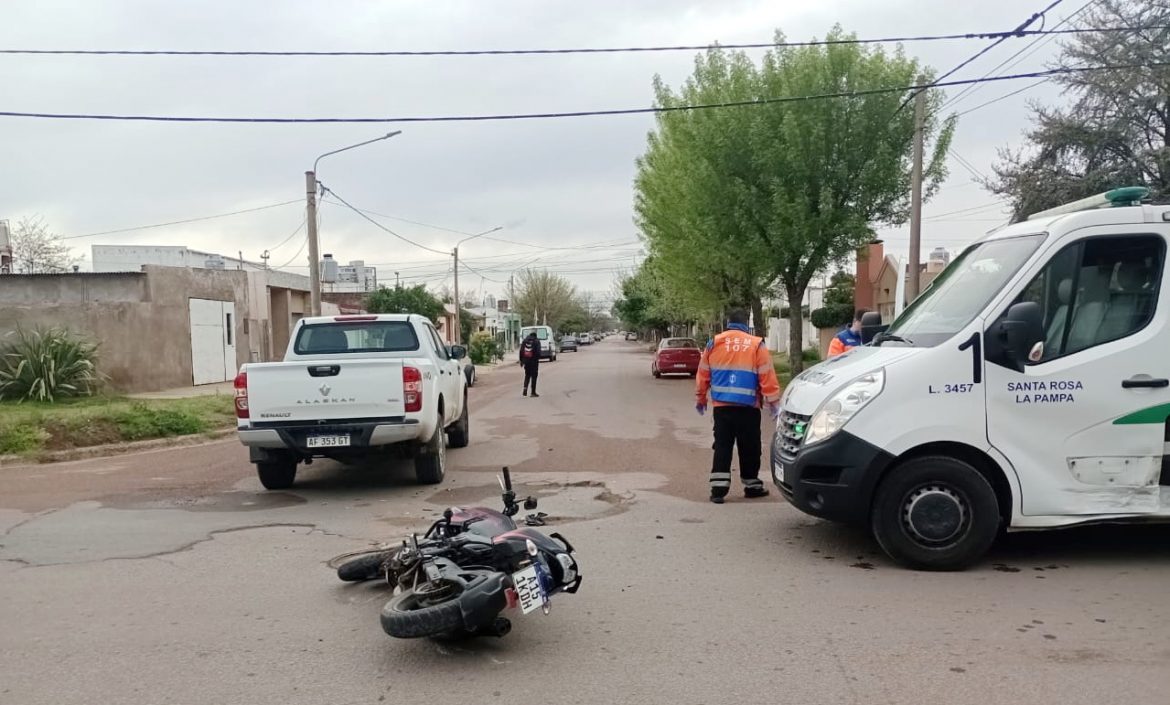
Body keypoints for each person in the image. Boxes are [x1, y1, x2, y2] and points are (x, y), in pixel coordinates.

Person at [695, 308, 782, 504]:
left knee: (723, 446)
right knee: (750, 446)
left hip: (722, 406)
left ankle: (718, 489)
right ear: (746, 324)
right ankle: (752, 485)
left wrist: (700, 398)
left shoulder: (714, 343)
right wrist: (774, 402)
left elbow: (703, 374)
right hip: (748, 408)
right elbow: (766, 375)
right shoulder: (756, 344)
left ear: (728, 323)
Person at [519, 331, 541, 397]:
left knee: (527, 375)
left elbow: (521, 351)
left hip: (526, 361)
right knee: (534, 376)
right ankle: (533, 392)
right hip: (534, 361)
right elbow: (538, 352)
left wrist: (521, 361)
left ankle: (525, 389)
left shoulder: (525, 341)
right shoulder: (536, 341)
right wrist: (537, 358)